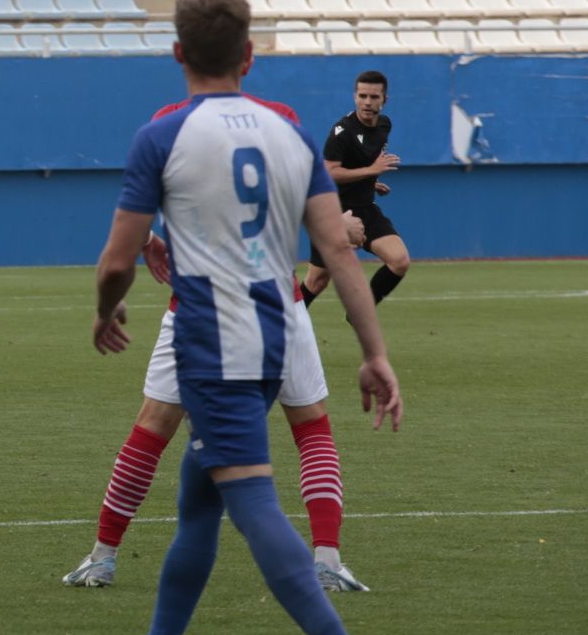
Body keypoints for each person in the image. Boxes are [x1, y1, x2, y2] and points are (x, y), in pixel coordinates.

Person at [90, 0, 402, 635]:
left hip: (213, 341)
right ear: (250, 57)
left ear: (176, 55)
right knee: (199, 501)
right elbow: (339, 251)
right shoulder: (289, 133)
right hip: (275, 331)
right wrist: (375, 350)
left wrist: (107, 312)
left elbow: (117, 260)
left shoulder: (162, 136)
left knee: (252, 498)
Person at [64, 174, 371, 592]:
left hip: (198, 307)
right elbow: (303, 207)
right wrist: (341, 229)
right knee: (310, 426)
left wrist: (146, 242)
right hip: (276, 303)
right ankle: (328, 562)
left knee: (155, 428)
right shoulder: (274, 124)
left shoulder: (168, 129)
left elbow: (134, 223)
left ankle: (102, 558)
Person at [301, 70, 409, 308]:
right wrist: (371, 172)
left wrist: (370, 183)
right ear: (354, 97)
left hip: (365, 208)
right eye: (362, 96)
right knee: (317, 281)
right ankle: (287, 322)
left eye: (373, 97)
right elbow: (328, 173)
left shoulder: (384, 125)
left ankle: (361, 311)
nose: (367, 103)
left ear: (384, 100)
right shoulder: (342, 132)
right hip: (334, 211)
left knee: (399, 261)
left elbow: (359, 165)